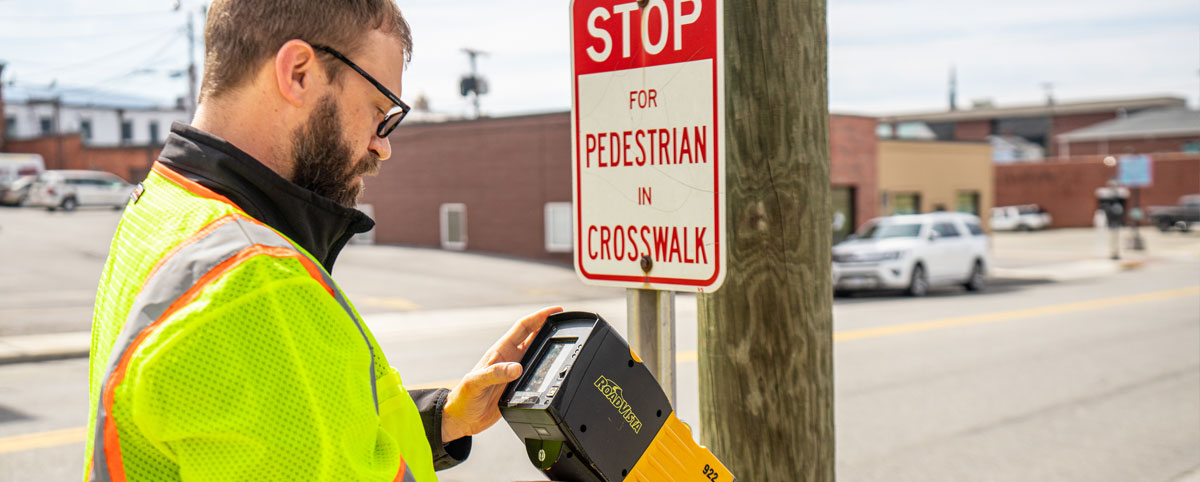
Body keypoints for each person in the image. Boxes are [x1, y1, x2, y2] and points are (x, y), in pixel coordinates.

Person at [82, 1, 561, 480]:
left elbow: (305, 438)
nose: (383, 145)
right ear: (298, 73)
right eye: (379, 110)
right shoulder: (254, 280)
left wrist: (447, 419)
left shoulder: (162, 209)